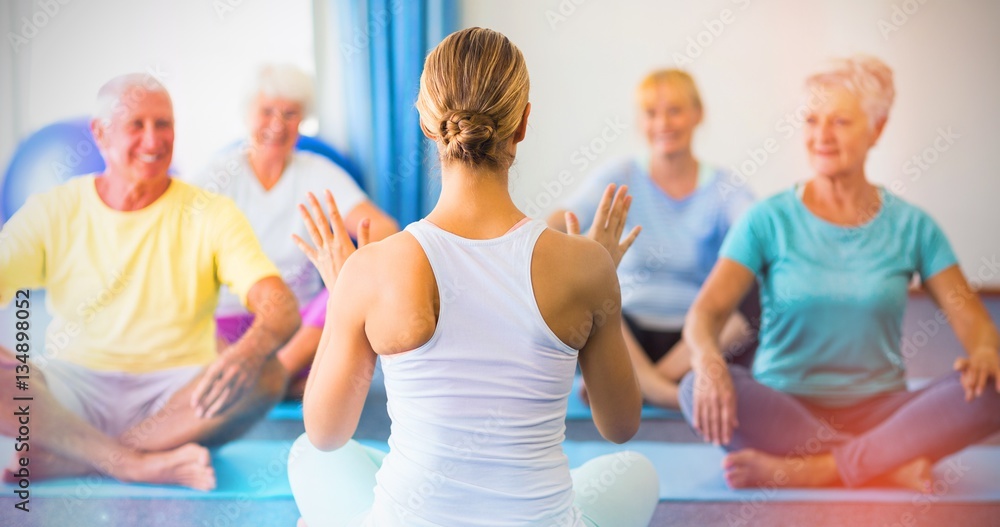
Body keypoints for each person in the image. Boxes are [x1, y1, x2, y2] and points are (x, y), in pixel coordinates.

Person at [286, 28, 659, 526]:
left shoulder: (371, 269)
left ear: (424, 120)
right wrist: (600, 289)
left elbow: (326, 432)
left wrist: (346, 299)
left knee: (307, 456)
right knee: (636, 471)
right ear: (523, 123)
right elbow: (620, 425)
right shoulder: (587, 266)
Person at [680, 55, 1000, 491]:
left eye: (840, 122)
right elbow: (704, 314)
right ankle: (883, 464)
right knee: (693, 385)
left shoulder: (914, 226)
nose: (821, 136)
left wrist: (984, 350)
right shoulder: (766, 219)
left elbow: (975, 324)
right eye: (811, 120)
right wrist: (710, 362)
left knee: (992, 387)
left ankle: (819, 469)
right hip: (782, 407)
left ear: (878, 128)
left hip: (883, 409)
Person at [0, 73, 298, 490]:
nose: (153, 139)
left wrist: (247, 353)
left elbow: (280, 304)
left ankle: (87, 459)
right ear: (100, 133)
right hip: (75, 391)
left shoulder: (211, 212)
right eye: (136, 125)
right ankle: (131, 463)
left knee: (266, 372)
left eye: (164, 124)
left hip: (176, 399)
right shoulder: (54, 209)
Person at [548, 69, 757, 409]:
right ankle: (671, 395)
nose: (663, 123)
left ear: (697, 114)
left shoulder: (724, 187)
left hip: (695, 338)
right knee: (583, 288)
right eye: (651, 113)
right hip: (626, 333)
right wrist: (535, 238)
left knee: (758, 288)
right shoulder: (621, 175)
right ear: (640, 122)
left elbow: (758, 228)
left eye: (674, 110)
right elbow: (565, 216)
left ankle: (642, 385)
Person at [191, 63, 398, 398]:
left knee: (347, 287)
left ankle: (272, 380)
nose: (277, 124)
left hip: (300, 331)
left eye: (290, 114)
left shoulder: (318, 172)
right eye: (267, 111)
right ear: (247, 115)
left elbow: (385, 228)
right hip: (228, 325)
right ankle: (277, 384)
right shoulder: (218, 174)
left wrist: (358, 263)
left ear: (302, 121)